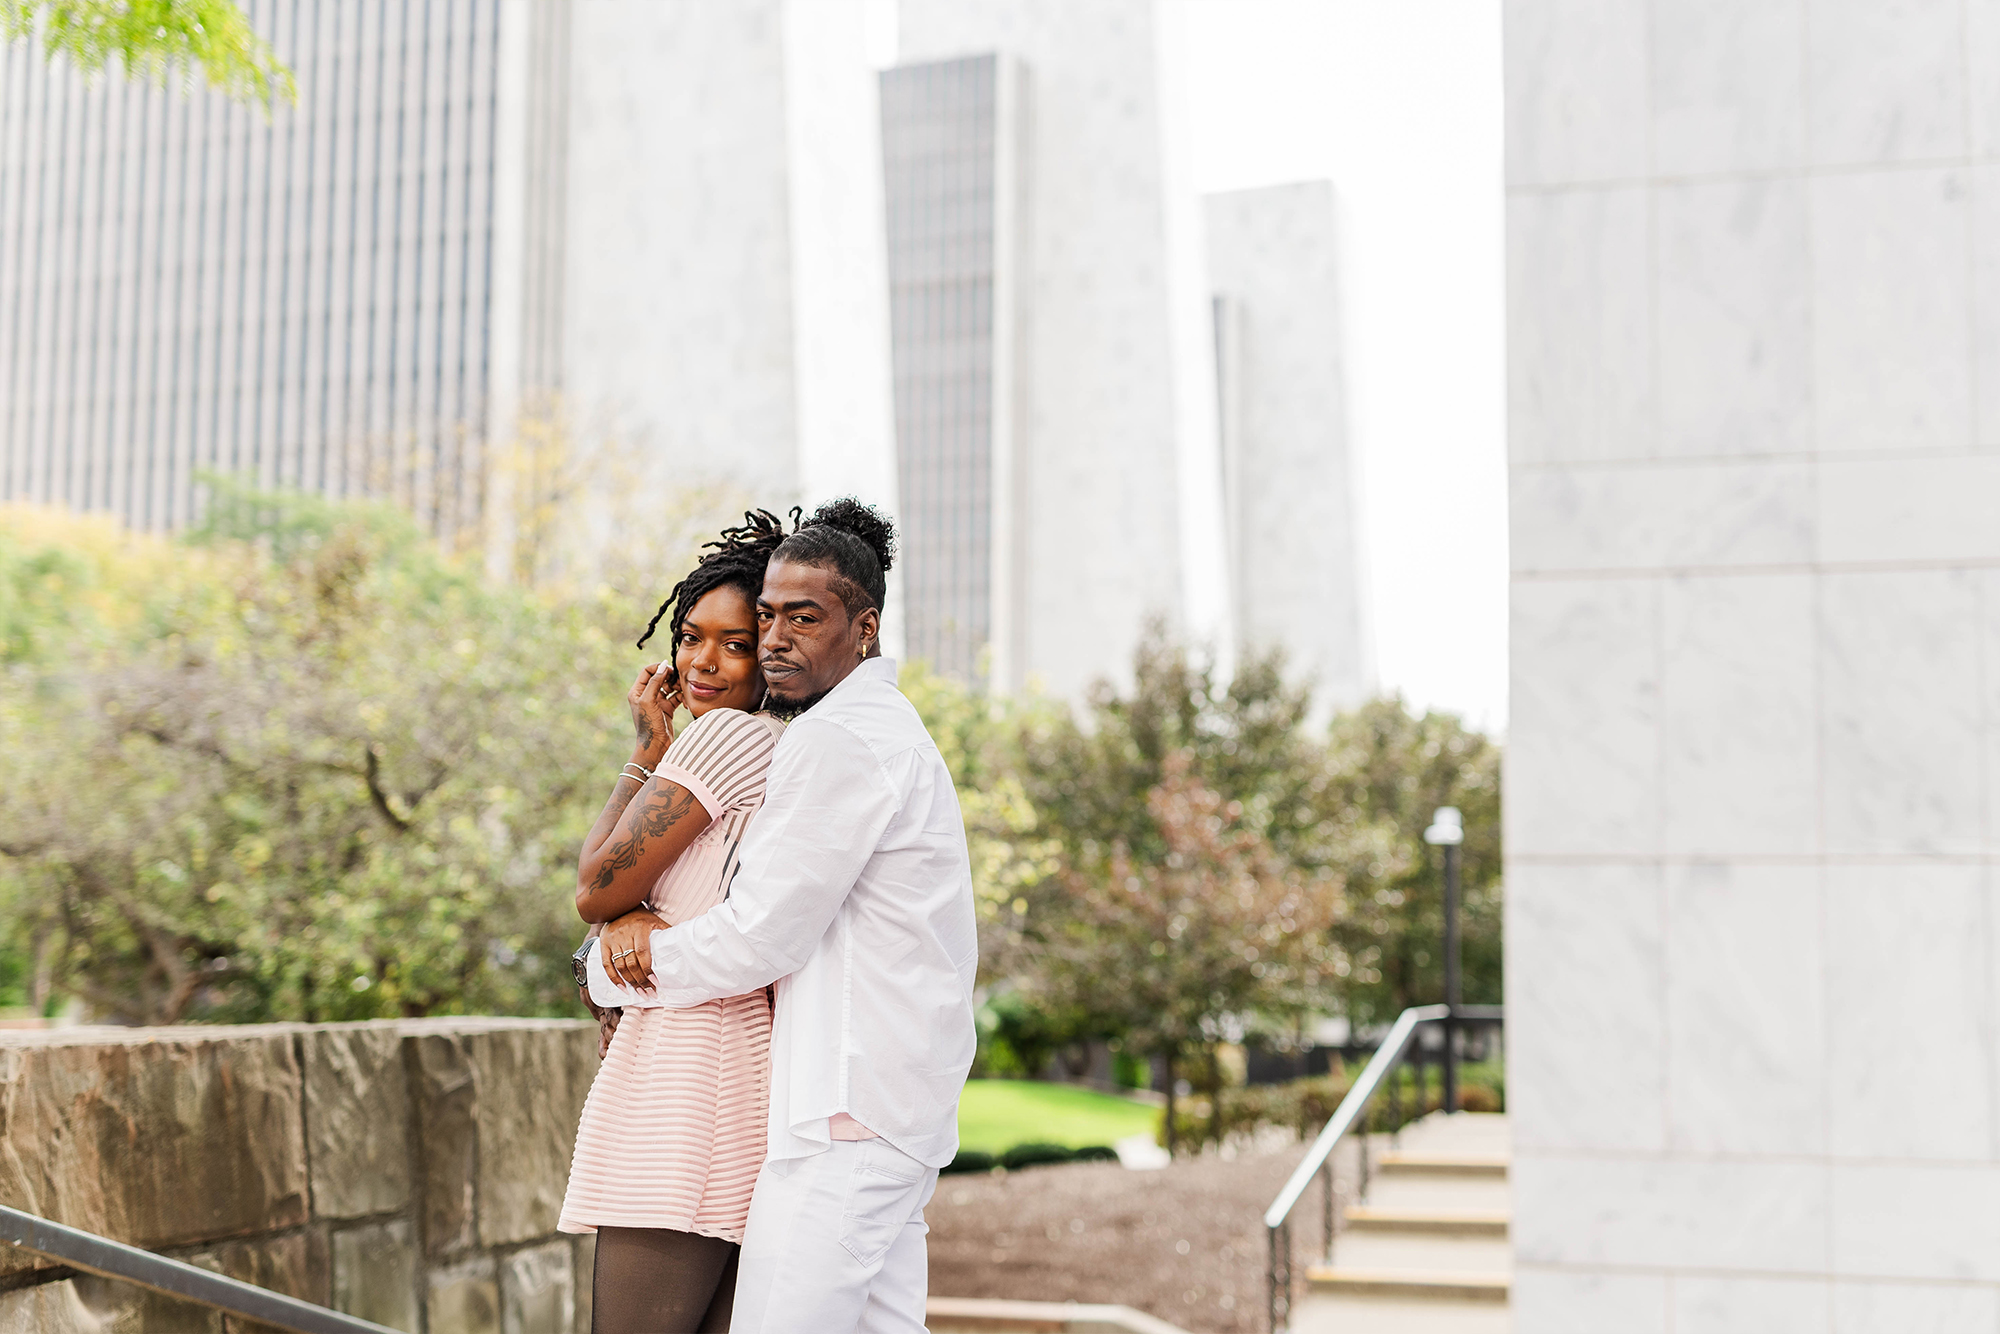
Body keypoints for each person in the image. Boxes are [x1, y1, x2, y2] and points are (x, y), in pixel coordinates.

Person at [587, 498, 976, 1334]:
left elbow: (759, 937)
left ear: (865, 629)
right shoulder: (882, 729)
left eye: (803, 618)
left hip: (845, 1120)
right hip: (887, 1111)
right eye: (766, 617)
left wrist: (609, 967)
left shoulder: (838, 739)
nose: (774, 640)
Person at [558, 510, 791, 1334]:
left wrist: (645, 751)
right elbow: (624, 900)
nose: (703, 662)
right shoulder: (778, 743)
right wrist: (629, 912)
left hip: (689, 1075)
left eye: (735, 644)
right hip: (732, 1066)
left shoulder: (722, 737)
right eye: (691, 638)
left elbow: (593, 885)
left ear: (771, 655)